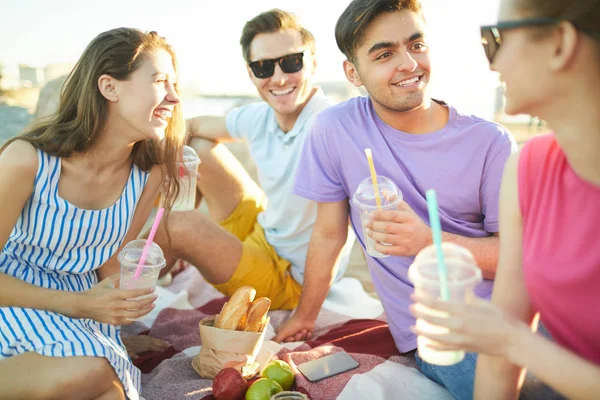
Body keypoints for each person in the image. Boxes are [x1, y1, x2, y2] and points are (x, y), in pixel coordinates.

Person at [277, 0, 517, 349]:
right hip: (441, 334)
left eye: (416, 45)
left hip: (523, 312)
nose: (409, 64)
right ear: (353, 73)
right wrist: (305, 316)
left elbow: (518, 261)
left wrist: (428, 242)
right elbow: (330, 234)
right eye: (384, 55)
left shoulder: (492, 142)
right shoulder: (334, 129)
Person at [410, 0, 600, 398]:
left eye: (495, 40)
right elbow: (502, 347)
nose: (492, 65)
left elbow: (508, 339)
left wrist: (514, 341)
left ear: (559, 43)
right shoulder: (529, 169)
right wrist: (507, 339)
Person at [0, 28, 184, 399]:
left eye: (175, 84)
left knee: (113, 390)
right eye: (161, 81)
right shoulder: (27, 161)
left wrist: (117, 315)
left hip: (84, 310)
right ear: (109, 87)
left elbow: (111, 263)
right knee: (96, 372)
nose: (174, 97)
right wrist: (81, 306)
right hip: (13, 299)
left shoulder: (150, 172)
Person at [153, 9, 355, 316]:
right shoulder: (261, 117)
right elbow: (191, 127)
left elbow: (333, 234)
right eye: (263, 67)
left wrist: (305, 316)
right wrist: (160, 158)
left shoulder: (328, 126)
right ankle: (163, 261)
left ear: (313, 62)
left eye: (291, 62)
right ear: (251, 74)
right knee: (198, 148)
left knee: (176, 222)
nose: (279, 77)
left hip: (291, 277)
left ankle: (130, 285)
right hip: (265, 228)